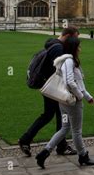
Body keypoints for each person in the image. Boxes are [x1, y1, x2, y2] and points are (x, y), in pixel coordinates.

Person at [36, 37, 94, 168]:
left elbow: (79, 84)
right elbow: (71, 82)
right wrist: (81, 96)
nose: (80, 49)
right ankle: (83, 156)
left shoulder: (65, 61)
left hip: (63, 102)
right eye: (79, 46)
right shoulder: (69, 61)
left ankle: (45, 152)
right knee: (76, 131)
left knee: (65, 128)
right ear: (74, 48)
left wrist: (88, 97)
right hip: (73, 103)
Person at [18, 27, 80, 157]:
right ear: (68, 36)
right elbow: (60, 71)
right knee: (58, 115)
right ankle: (57, 145)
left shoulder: (53, 44)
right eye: (75, 37)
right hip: (53, 87)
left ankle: (29, 140)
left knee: (53, 114)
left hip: (49, 85)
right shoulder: (58, 48)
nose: (76, 41)